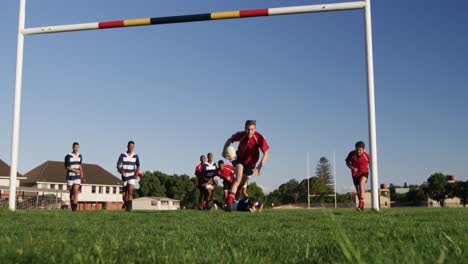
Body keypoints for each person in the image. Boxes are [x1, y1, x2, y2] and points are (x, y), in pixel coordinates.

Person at [222, 120, 269, 208]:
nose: (249, 131)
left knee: (242, 183)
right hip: (239, 160)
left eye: (252, 129)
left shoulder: (259, 138)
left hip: (251, 165)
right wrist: (224, 150)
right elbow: (229, 140)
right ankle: (228, 204)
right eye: (247, 129)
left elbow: (266, 153)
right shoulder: (241, 135)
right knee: (238, 178)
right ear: (245, 128)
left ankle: (233, 196)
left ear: (255, 129)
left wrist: (259, 167)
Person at [345, 141, 370, 211]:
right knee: (358, 191)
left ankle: (361, 203)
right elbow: (347, 162)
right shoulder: (351, 154)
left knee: (361, 184)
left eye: (360, 150)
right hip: (355, 174)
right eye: (356, 149)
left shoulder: (366, 155)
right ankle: (361, 205)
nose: (358, 151)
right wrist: (352, 168)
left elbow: (371, 163)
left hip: (364, 172)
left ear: (363, 149)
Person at [117, 141, 140, 211]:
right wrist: (120, 169)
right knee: (124, 194)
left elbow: (138, 166)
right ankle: (125, 202)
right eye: (130, 146)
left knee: (130, 191)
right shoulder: (122, 155)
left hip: (132, 176)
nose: (131, 148)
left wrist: (136, 174)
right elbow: (118, 165)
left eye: (133, 147)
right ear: (127, 146)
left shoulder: (135, 156)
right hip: (124, 176)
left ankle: (129, 208)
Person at [64, 142, 83, 212]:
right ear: (72, 147)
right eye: (75, 147)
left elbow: (80, 165)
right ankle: (72, 205)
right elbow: (66, 167)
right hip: (70, 175)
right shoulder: (68, 156)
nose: (76, 149)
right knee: (71, 192)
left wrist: (81, 172)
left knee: (76, 191)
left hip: (77, 175)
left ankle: (75, 209)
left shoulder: (80, 155)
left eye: (77, 147)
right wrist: (74, 170)